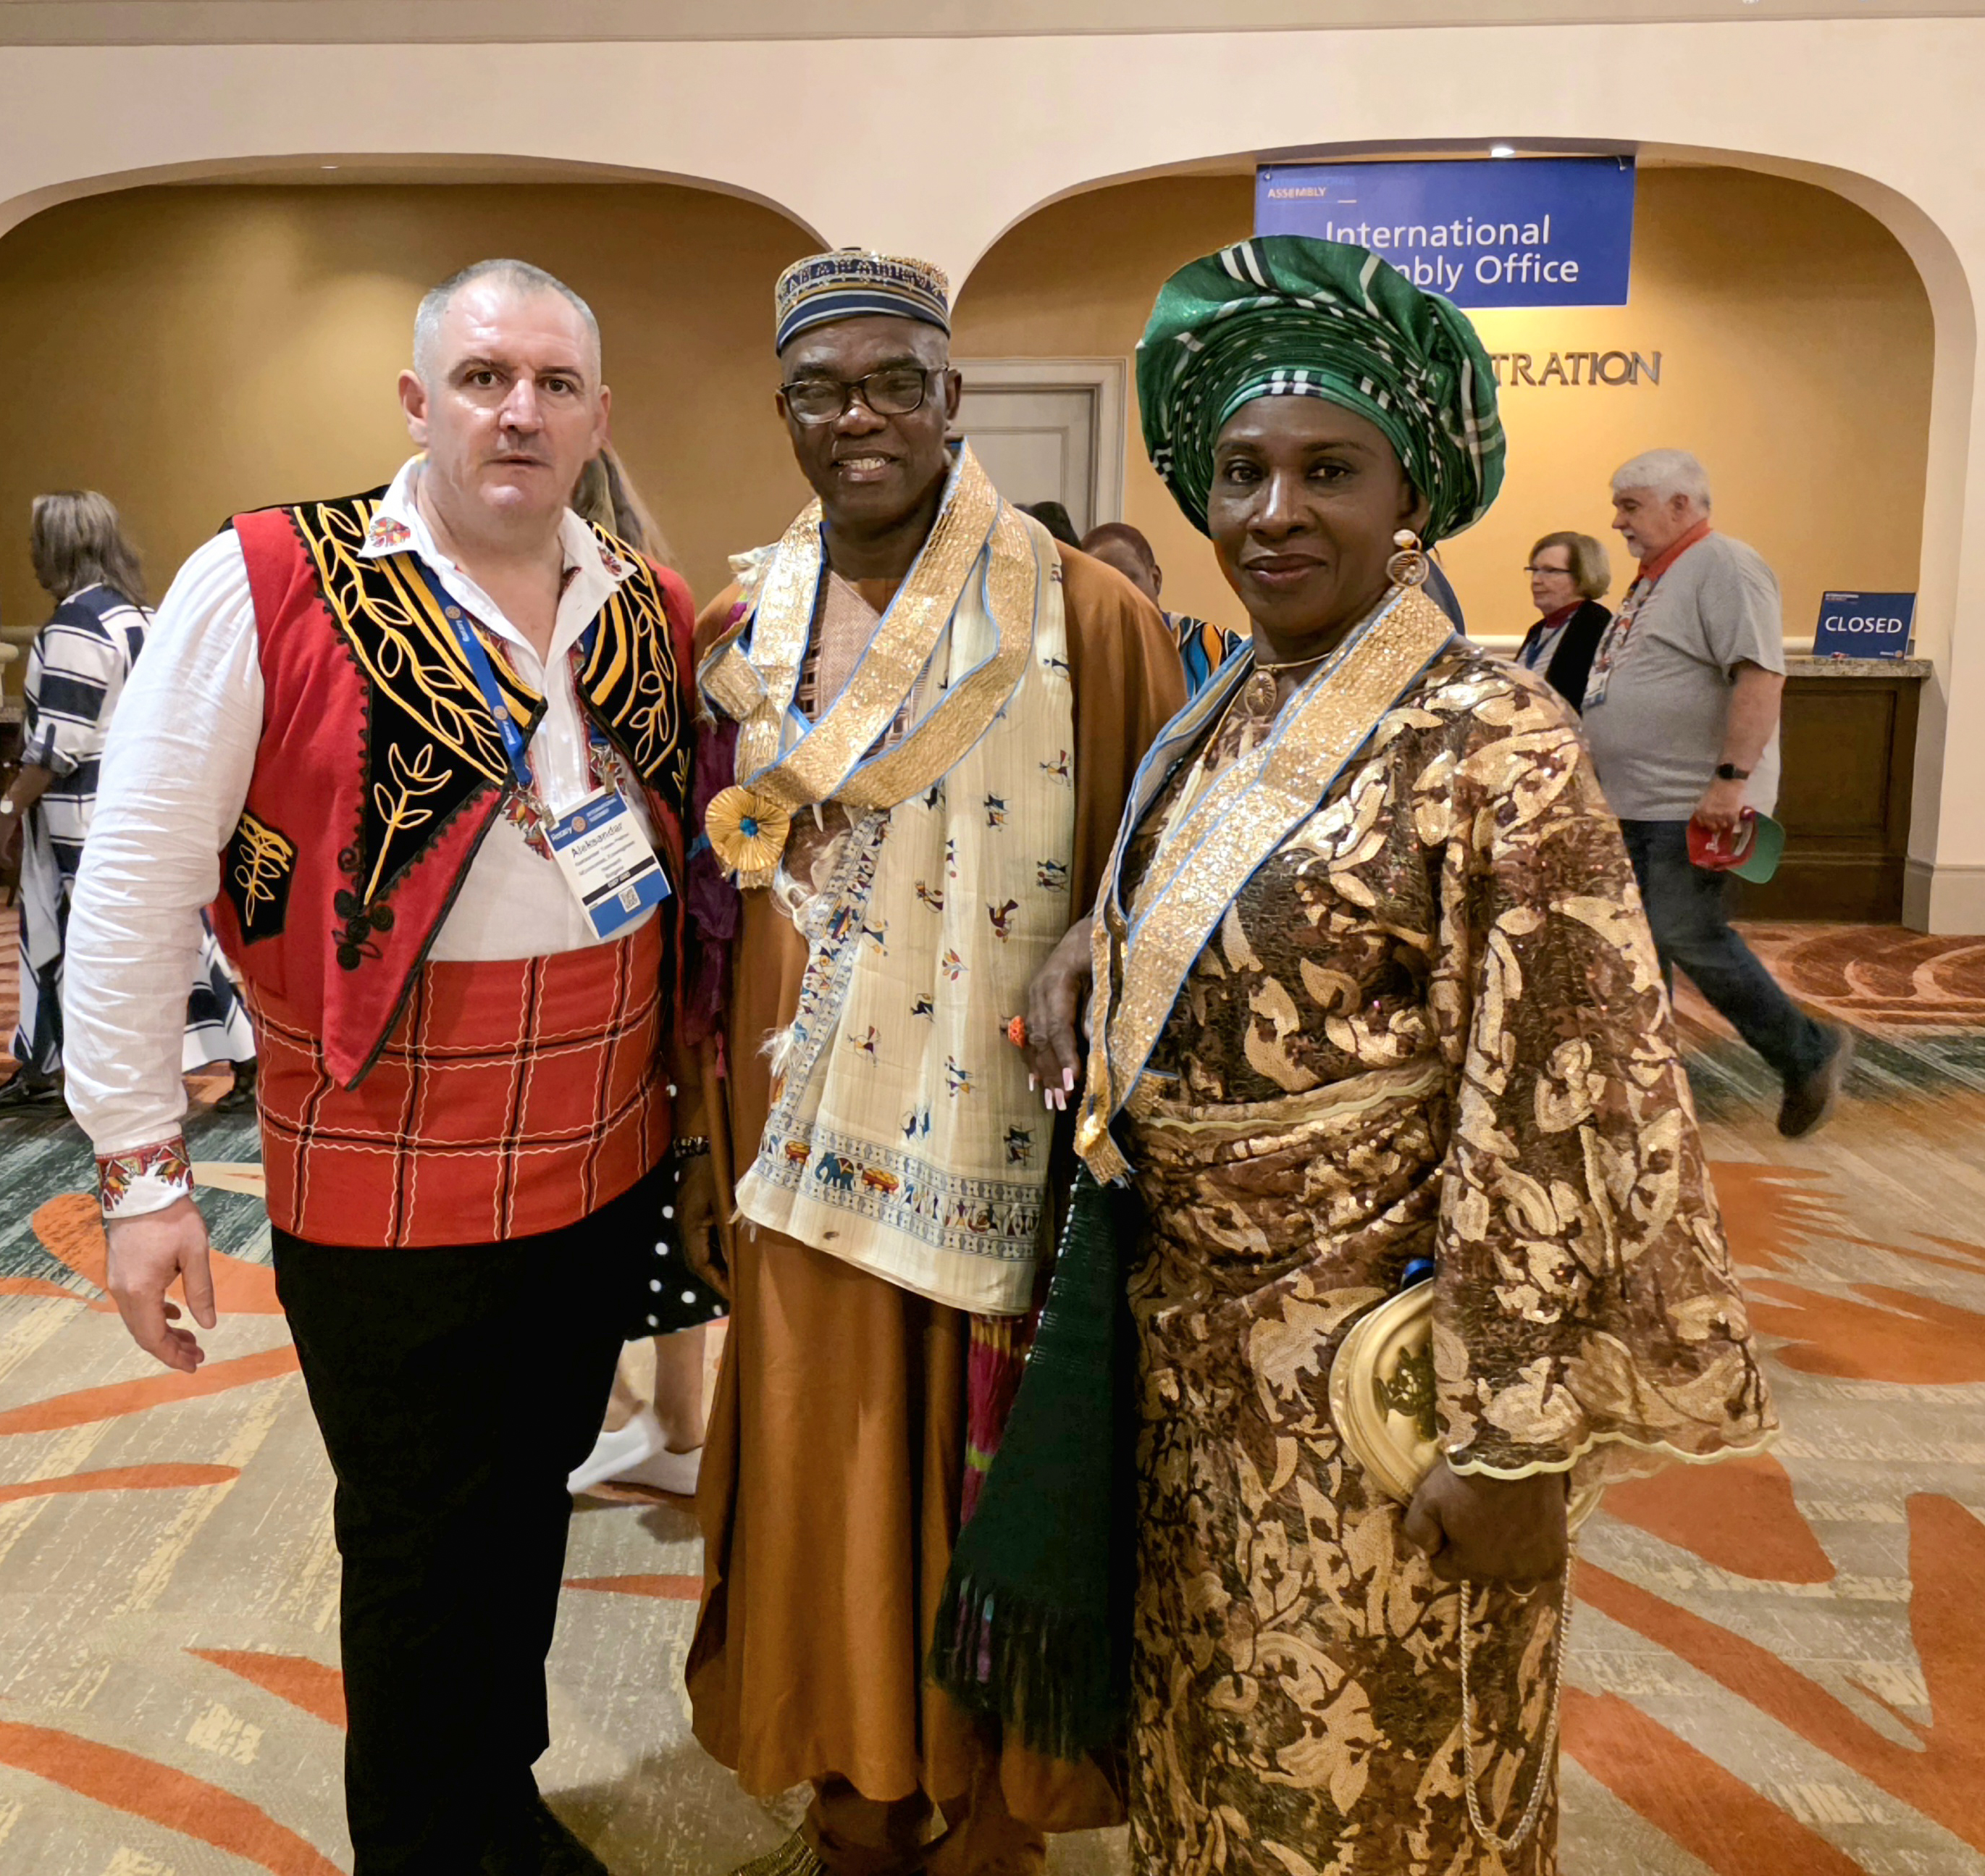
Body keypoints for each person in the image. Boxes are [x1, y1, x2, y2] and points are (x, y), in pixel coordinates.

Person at [1014, 236, 1776, 1876]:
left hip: (1381, 1388)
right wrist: (1093, 940)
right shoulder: (1229, 705)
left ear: (1409, 496)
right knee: (1214, 1759)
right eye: (1240, 472)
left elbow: (1561, 1102)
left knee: (1371, 1781)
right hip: (1193, 1370)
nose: (1272, 512)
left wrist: (1514, 1438)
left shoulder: (1490, 740)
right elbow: (1216, 913)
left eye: (1327, 471)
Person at [62, 259, 708, 1876]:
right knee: (419, 1536)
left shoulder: (645, 601)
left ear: (598, 417)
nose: (518, 412)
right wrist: (141, 1175)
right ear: (420, 403)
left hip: (599, 1149)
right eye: (484, 378)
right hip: (383, 1161)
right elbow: (132, 880)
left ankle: (495, 1803)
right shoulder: (265, 579)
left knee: (528, 1501)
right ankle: (427, 1846)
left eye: (554, 385)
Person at [682, 248, 1185, 1875]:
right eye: (823, 391)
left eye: (896, 382)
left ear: (952, 395)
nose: (861, 418)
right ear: (783, 412)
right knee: (820, 1456)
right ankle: (851, 1786)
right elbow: (708, 905)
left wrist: (1091, 949)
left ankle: (981, 1808)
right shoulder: (736, 623)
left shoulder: (1085, 614)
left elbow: (1160, 884)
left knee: (980, 1467)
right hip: (792, 1139)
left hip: (997, 1145)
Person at [1585, 448, 1852, 1136]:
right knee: (1641, 946)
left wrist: (1730, 781)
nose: (1617, 522)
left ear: (1681, 505)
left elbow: (1761, 676)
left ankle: (1806, 1051)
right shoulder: (1657, 578)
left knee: (1687, 932)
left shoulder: (1725, 566)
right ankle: (1648, 1084)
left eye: (1630, 506)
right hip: (1636, 802)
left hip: (1690, 803)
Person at [0, 492, 256, 1116]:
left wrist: (5, 813)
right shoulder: (139, 615)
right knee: (162, 936)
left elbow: (57, 744)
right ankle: (46, 1065)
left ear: (60, 546)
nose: (31, 554)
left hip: (83, 817)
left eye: (37, 541)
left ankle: (53, 1069)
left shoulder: (76, 625)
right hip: (140, 802)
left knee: (75, 942)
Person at [566, 443, 725, 1499]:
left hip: (605, 937)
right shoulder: (668, 617)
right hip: (665, 918)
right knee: (674, 1181)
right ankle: (675, 1423)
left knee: (622, 1188)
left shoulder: (623, 620)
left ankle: (637, 1419)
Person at [1080, 519, 1242, 698]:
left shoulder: (1219, 648)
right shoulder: (1079, 660)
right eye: (1097, 587)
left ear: (1156, 580)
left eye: (1125, 581)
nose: (1114, 597)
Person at [1514, 528, 1613, 713]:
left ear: (1582, 576)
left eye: (1550, 571)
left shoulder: (1595, 625)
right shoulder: (1538, 629)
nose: (1536, 580)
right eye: (1534, 570)